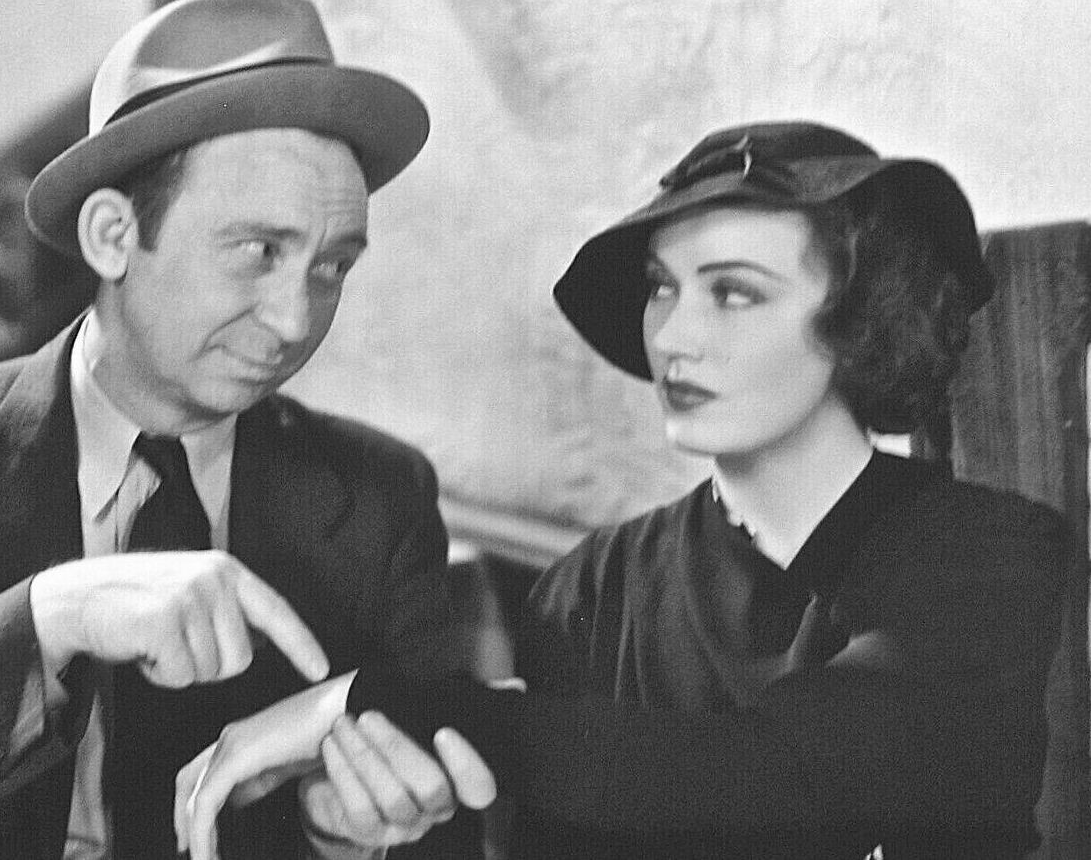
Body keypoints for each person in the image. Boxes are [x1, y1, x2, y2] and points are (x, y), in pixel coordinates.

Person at [175, 121, 1071, 860]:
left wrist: (372, 700)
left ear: (860, 319)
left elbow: (779, 774)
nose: (673, 336)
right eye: (660, 288)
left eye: (734, 293)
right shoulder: (592, 587)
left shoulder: (991, 551)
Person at [0, 0, 488, 860]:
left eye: (331, 266)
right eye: (258, 251)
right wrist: (52, 616)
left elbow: (442, 822)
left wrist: (339, 831)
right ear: (112, 235)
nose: (294, 321)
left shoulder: (381, 496)